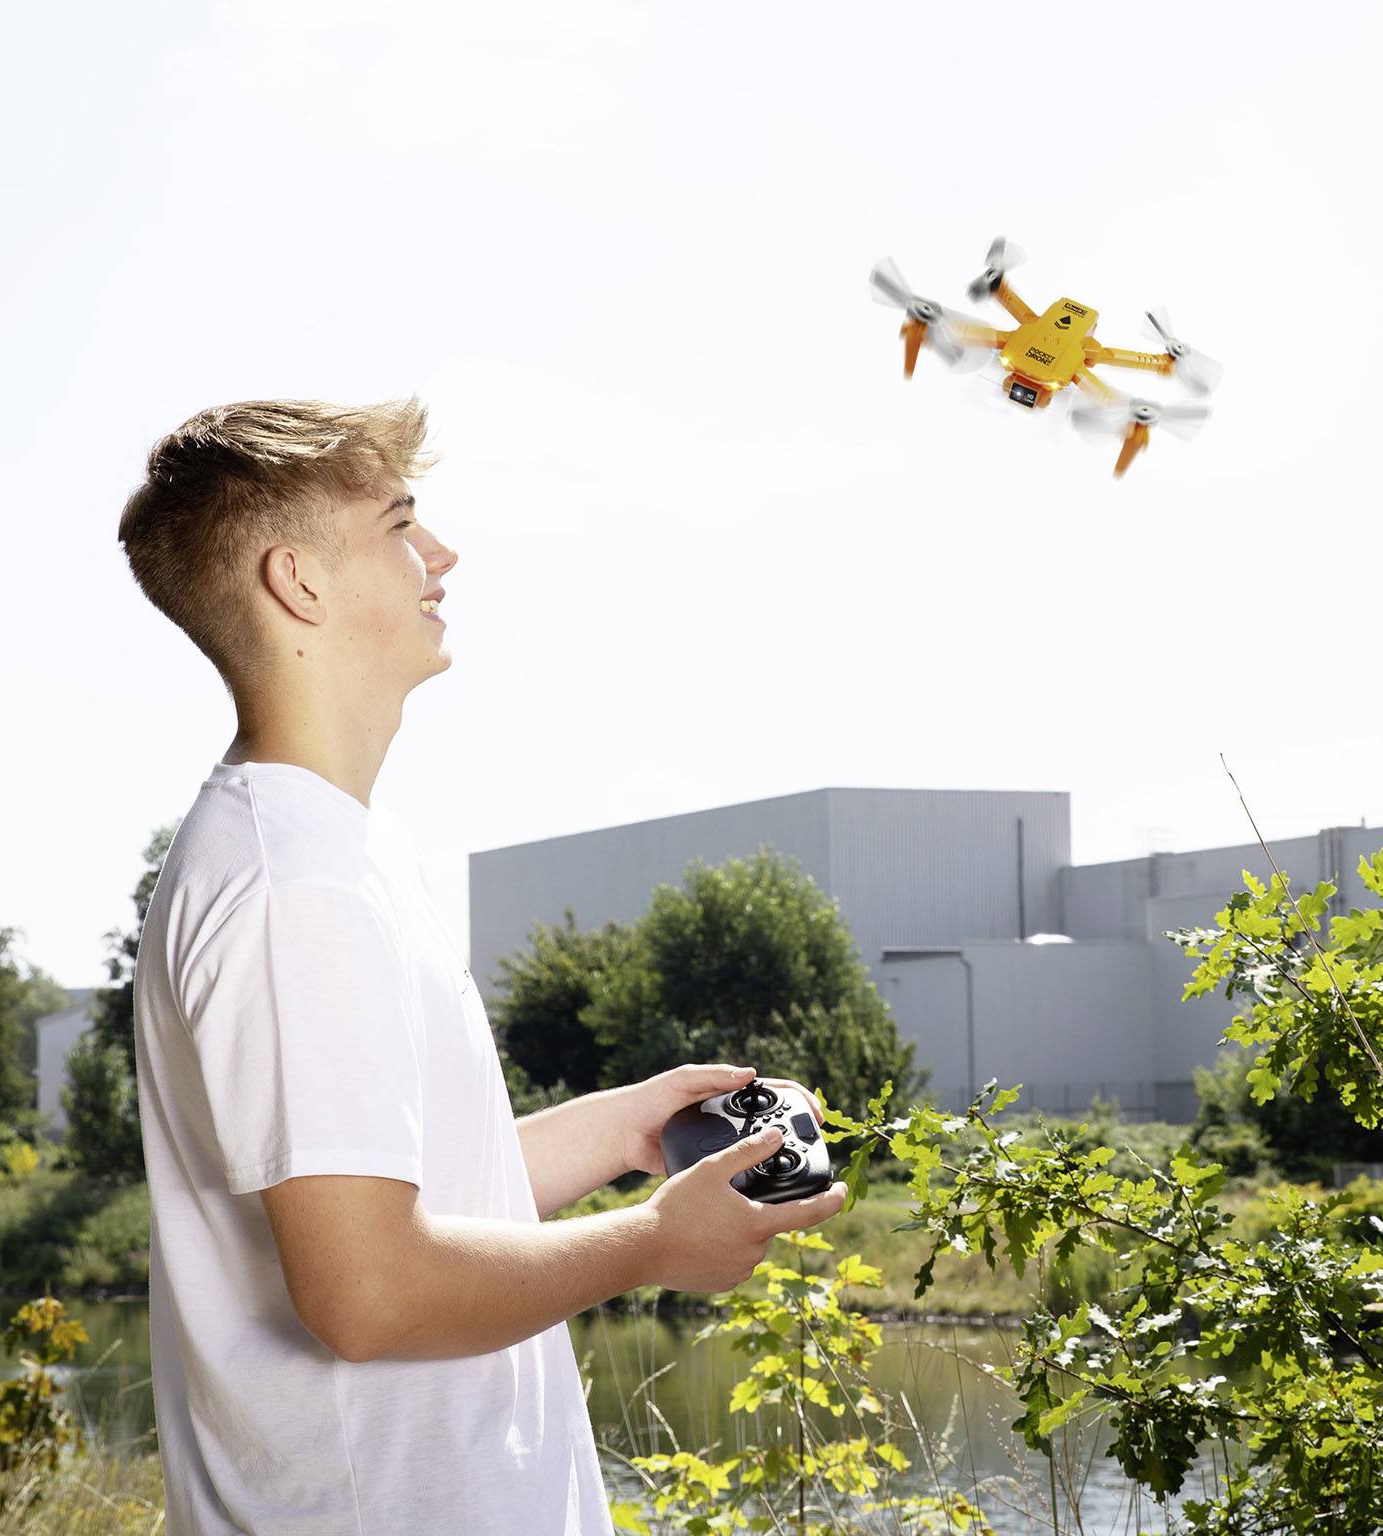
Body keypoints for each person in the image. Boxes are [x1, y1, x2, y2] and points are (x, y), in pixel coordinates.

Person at [117, 398, 847, 1535]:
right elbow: (369, 1293)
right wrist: (654, 1242)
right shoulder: (293, 887)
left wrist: (619, 1133)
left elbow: (374, 1198)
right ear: (299, 582)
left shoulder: (339, 849)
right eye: (402, 521)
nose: (442, 553)